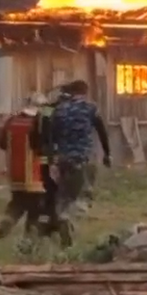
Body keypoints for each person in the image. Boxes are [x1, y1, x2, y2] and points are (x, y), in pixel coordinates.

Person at [45, 79, 111, 247]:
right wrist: (107, 154)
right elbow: (102, 131)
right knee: (83, 195)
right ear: (84, 92)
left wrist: (52, 160)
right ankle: (69, 219)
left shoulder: (59, 110)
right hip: (84, 158)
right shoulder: (90, 108)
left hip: (63, 159)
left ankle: (63, 229)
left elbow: (50, 137)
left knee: (63, 195)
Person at [0, 91, 59, 239]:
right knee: (36, 209)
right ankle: (29, 240)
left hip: (16, 174)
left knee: (17, 203)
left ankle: (7, 221)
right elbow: (43, 146)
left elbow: (1, 143)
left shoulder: (11, 121)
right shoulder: (40, 123)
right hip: (36, 174)